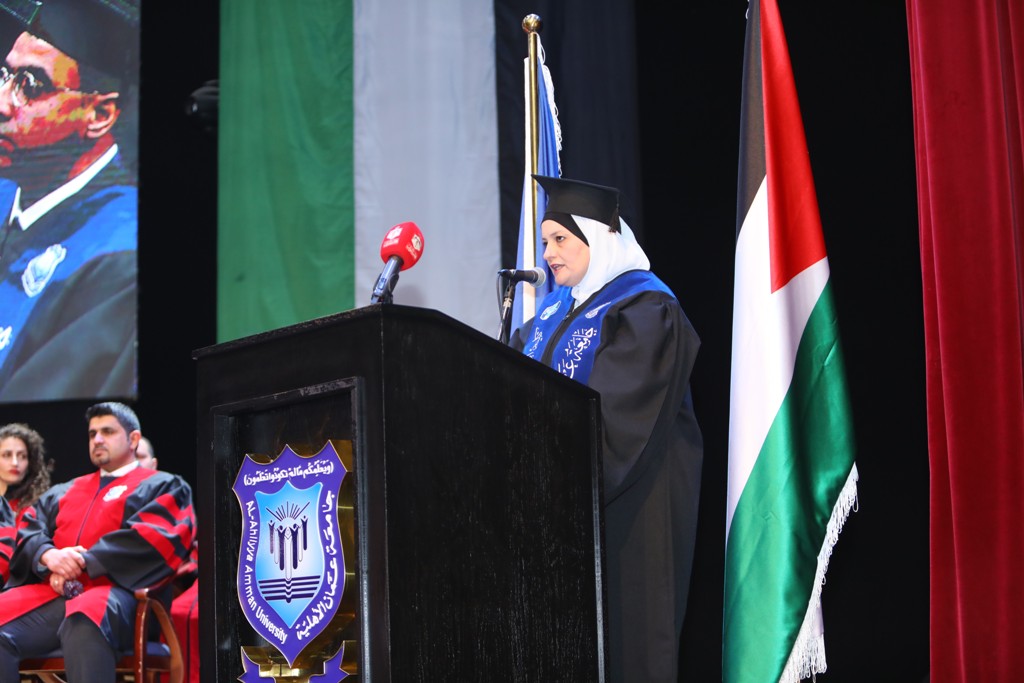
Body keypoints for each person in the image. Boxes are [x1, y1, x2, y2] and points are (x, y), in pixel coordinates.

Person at [510, 175, 704, 682]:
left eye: (560, 239)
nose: (548, 253)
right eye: (545, 241)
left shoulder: (644, 307)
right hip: (561, 516)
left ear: (598, 237)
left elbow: (619, 418)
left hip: (629, 514)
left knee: (626, 647)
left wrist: (547, 474)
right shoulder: (550, 314)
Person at [0, 0, 140, 401]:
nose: (3, 103)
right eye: (4, 76)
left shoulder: (119, 254)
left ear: (99, 115)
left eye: (30, 86)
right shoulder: (7, 195)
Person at [0, 402, 195, 682]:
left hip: (122, 600)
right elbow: (29, 530)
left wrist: (80, 562)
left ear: (133, 439)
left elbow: (154, 537)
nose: (98, 439)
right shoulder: (65, 491)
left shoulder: (162, 485)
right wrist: (49, 556)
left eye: (108, 432)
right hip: (57, 595)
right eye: (93, 434)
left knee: (85, 616)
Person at [0, 422, 53, 586]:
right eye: (7, 455)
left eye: (22, 456)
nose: (15, 462)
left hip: (18, 582)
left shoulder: (37, 504)